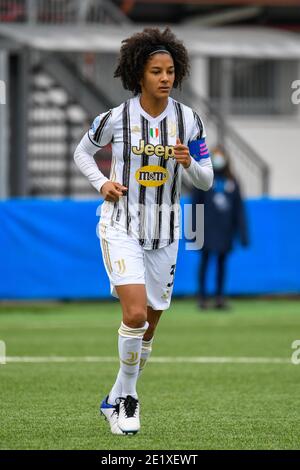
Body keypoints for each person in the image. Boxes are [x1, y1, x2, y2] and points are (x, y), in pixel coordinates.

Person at [74, 27, 213, 436]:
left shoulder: (190, 121)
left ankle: (112, 400)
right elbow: (83, 152)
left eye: (170, 70)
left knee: (148, 329)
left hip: (167, 233)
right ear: (140, 75)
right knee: (134, 315)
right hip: (121, 226)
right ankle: (130, 400)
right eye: (156, 71)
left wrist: (190, 164)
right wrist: (102, 183)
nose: (165, 78)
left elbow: (205, 180)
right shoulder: (115, 119)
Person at [192, 146, 249, 310]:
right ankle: (202, 297)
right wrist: (193, 230)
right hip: (206, 228)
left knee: (222, 263)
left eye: (221, 156)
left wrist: (242, 233)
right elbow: (196, 204)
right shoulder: (203, 178)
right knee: (205, 262)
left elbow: (239, 208)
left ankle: (219, 298)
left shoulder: (232, 180)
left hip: (225, 229)